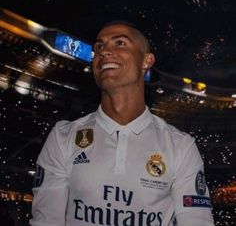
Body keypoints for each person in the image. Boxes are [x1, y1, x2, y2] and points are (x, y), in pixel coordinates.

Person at [30, 21, 215, 226]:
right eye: (99, 47)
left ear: (146, 60)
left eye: (119, 43)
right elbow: (46, 222)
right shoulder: (63, 137)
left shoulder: (181, 146)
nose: (105, 51)